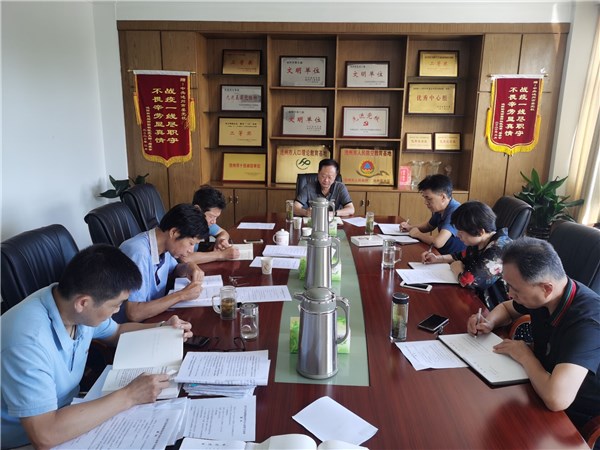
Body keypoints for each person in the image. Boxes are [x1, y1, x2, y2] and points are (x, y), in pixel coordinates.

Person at [1, 244, 193, 449]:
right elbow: (44, 435)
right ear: (83, 303)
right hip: (26, 439)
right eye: (115, 305)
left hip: (71, 411)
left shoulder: (73, 307)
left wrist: (163, 328)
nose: (117, 311)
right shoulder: (27, 341)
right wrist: (130, 395)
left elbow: (117, 332)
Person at [467, 237, 600, 437]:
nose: (510, 294)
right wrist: (489, 322)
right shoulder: (546, 295)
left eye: (515, 289)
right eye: (508, 286)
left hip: (576, 419)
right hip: (540, 383)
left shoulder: (588, 322)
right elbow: (507, 308)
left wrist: (525, 355)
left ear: (546, 288)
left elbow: (557, 399)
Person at [117, 203, 208, 323]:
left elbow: (173, 270)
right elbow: (134, 313)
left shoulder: (165, 246)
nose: (191, 250)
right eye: (191, 243)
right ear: (174, 232)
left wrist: (188, 267)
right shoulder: (138, 253)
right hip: (130, 327)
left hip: (153, 317)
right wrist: (182, 295)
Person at [422, 201, 511, 309]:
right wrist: (438, 258)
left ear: (480, 231)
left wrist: (457, 268)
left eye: (461, 232)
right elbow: (461, 255)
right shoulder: (481, 240)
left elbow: (469, 282)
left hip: (497, 307)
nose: (457, 235)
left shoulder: (499, 249)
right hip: (477, 300)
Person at [399, 174, 465, 255]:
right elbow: (428, 226)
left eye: (429, 199)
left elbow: (438, 242)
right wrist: (410, 227)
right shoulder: (441, 208)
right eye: (425, 198)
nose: (426, 202)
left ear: (443, 197)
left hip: (453, 258)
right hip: (441, 254)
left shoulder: (455, 211)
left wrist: (418, 234)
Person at [181, 184, 240, 264]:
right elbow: (184, 259)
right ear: (197, 209)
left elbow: (223, 232)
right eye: (211, 216)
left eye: (216, 217)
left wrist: (221, 240)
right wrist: (221, 255)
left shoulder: (205, 223)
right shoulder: (185, 224)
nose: (214, 222)